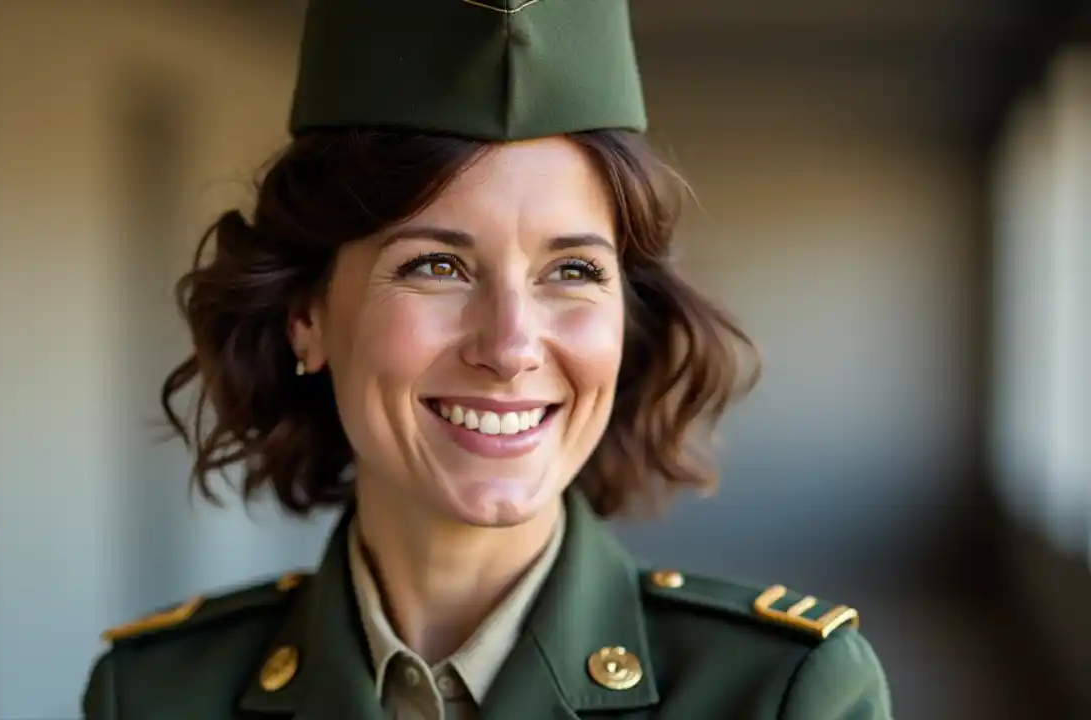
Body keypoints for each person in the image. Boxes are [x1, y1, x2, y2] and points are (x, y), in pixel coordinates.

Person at [81, 0, 893, 717]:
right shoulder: (155, 695)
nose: (509, 348)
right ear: (306, 317)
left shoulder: (784, 694)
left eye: (572, 271)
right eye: (436, 266)